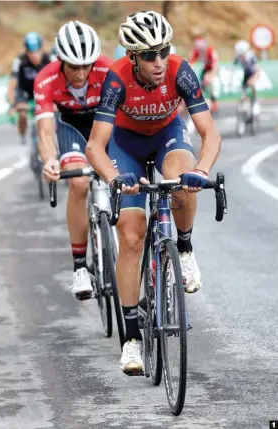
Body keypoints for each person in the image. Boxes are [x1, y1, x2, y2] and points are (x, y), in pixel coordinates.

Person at [85, 11, 221, 374]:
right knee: (130, 235)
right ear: (133, 57)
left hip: (167, 136)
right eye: (149, 55)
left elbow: (210, 133)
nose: (159, 61)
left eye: (163, 51)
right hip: (125, 147)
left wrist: (202, 170)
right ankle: (131, 339)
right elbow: (95, 147)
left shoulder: (180, 71)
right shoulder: (116, 80)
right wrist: (114, 178)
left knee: (182, 179)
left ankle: (186, 248)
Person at [34, 21, 113, 299]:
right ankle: (80, 266)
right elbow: (45, 131)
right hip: (71, 128)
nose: (81, 73)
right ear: (60, 61)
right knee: (79, 183)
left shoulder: (107, 69)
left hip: (104, 126)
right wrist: (49, 160)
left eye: (86, 66)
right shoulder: (45, 78)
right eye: (73, 66)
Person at [7, 32, 52, 160]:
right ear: (26, 51)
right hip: (25, 91)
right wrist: (12, 104)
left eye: (38, 51)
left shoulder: (50, 59)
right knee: (22, 113)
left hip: (44, 90)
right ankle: (22, 137)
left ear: (42, 49)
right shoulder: (19, 61)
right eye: (31, 53)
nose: (35, 56)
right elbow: (12, 84)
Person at [189, 30, 219, 113]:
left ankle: (214, 100)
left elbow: (215, 67)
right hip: (205, 69)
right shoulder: (197, 51)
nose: (200, 51)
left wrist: (210, 76)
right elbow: (190, 63)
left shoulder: (211, 51)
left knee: (213, 82)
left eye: (201, 49)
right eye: (198, 49)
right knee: (201, 85)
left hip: (212, 69)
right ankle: (203, 101)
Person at [233, 40, 260, 117]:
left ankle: (255, 103)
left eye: (242, 54)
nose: (241, 57)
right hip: (246, 74)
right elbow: (233, 68)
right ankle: (245, 102)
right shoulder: (237, 57)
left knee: (251, 84)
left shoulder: (252, 56)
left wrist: (253, 79)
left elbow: (257, 70)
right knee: (243, 89)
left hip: (254, 73)